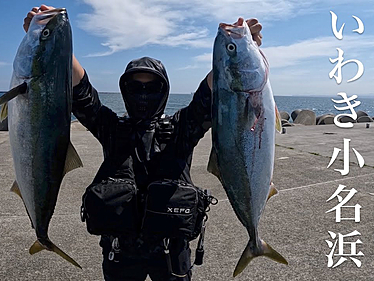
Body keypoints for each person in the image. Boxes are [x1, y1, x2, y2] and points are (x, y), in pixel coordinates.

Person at [24, 5, 263, 281]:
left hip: (171, 253)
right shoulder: (112, 129)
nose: (143, 94)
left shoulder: (181, 128)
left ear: (163, 91)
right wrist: (49, 38)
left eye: (152, 87)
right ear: (125, 90)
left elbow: (207, 96)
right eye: (136, 87)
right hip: (120, 253)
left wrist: (242, 51)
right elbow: (82, 95)